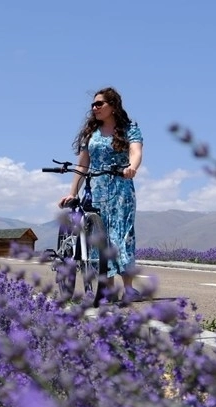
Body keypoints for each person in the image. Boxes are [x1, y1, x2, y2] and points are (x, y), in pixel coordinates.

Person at [58, 87, 143, 301]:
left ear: (113, 107)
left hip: (121, 189)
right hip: (96, 190)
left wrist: (131, 167)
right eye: (93, 105)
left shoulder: (129, 129)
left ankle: (129, 289)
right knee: (99, 239)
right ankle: (107, 289)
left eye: (99, 104)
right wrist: (72, 193)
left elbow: (135, 151)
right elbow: (83, 164)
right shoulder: (91, 134)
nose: (94, 108)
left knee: (120, 237)